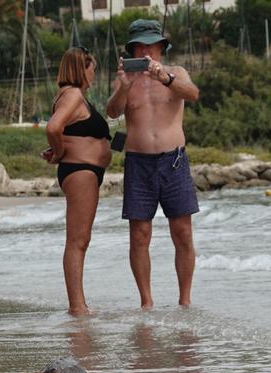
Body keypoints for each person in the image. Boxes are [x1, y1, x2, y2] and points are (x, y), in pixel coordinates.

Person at [106, 19, 200, 309]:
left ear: (161, 48)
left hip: (174, 160)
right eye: (141, 46)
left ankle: (185, 300)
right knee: (140, 234)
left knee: (182, 231)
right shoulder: (124, 79)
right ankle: (146, 301)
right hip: (139, 162)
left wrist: (165, 78)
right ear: (132, 50)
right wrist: (124, 86)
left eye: (152, 46)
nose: (147, 52)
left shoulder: (176, 72)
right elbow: (112, 112)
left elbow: (194, 94)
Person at [45, 47, 110, 315]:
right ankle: (77, 306)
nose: (93, 75)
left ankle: (79, 303)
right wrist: (59, 152)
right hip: (80, 170)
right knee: (78, 240)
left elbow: (64, 130)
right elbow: (53, 127)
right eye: (91, 68)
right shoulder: (72, 94)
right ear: (80, 68)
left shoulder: (72, 96)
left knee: (80, 239)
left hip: (84, 170)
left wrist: (60, 148)